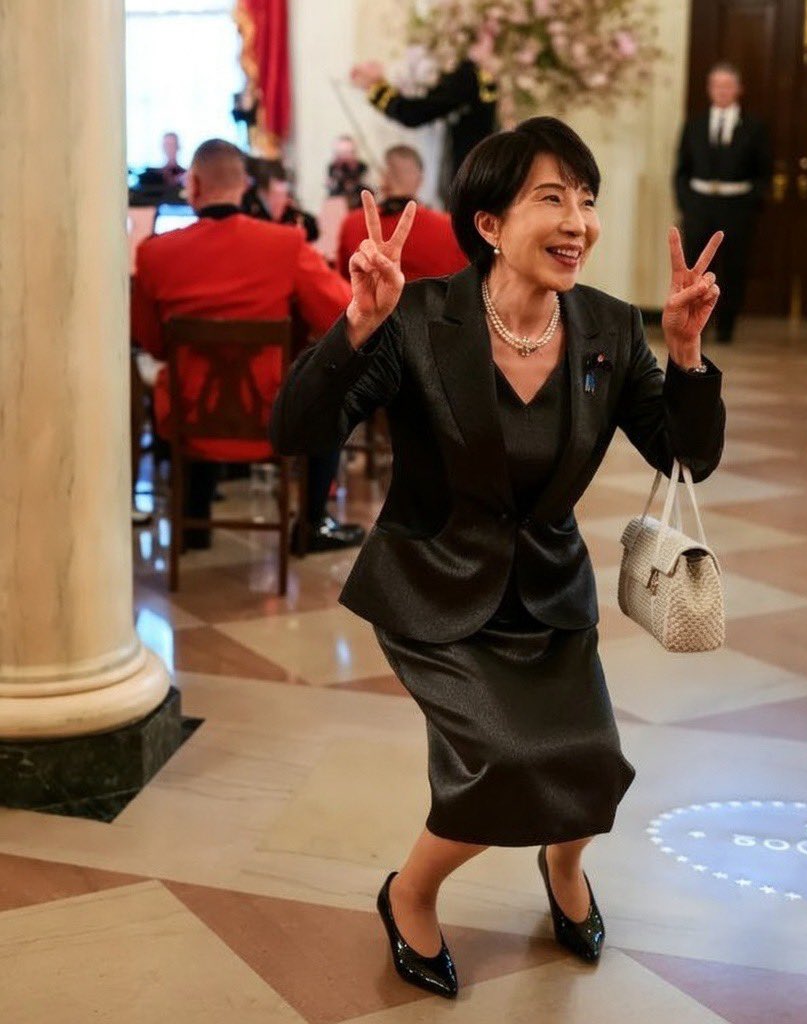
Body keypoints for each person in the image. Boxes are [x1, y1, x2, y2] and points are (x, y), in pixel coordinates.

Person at [270, 117, 726, 999]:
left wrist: (684, 354)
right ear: (489, 224)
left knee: (594, 765)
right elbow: (297, 431)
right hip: (433, 589)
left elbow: (687, 457)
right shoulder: (419, 318)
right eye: (552, 199)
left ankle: (564, 865)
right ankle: (410, 892)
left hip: (550, 592)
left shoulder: (607, 326)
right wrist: (358, 323)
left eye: (586, 200)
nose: (578, 222)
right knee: (507, 763)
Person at [131, 138, 364, 553]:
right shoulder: (285, 245)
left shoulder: (155, 254)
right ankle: (312, 523)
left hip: (187, 420)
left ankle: (195, 524)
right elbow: (342, 312)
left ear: (193, 185)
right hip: (269, 417)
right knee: (330, 391)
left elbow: (153, 345)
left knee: (191, 375)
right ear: (244, 186)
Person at [673, 61, 771, 344]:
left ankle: (727, 325)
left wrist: (750, 204)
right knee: (696, 267)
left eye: (728, 86)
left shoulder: (754, 126)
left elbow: (763, 172)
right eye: (717, 85)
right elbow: (682, 169)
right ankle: (696, 324)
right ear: (709, 89)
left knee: (734, 267)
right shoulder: (695, 124)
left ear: (739, 89)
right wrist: (687, 204)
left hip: (737, 207)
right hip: (699, 206)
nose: (722, 91)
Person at [349, 27, 499, 207]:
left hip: (461, 176)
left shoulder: (467, 75)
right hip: (468, 174)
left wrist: (376, 87)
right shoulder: (474, 75)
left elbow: (414, 113)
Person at [337, 145, 467, 282]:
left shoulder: (352, 224)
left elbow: (342, 285)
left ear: (383, 177)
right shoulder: (452, 228)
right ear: (420, 180)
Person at [241, 159, 320, 243]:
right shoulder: (248, 210)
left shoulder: (289, 212)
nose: (282, 200)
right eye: (276, 195)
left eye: (284, 194)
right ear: (263, 192)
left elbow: (312, 230)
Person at [326, 134, 369, 210]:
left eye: (348, 153)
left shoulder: (362, 168)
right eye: (340, 153)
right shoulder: (333, 169)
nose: (344, 157)